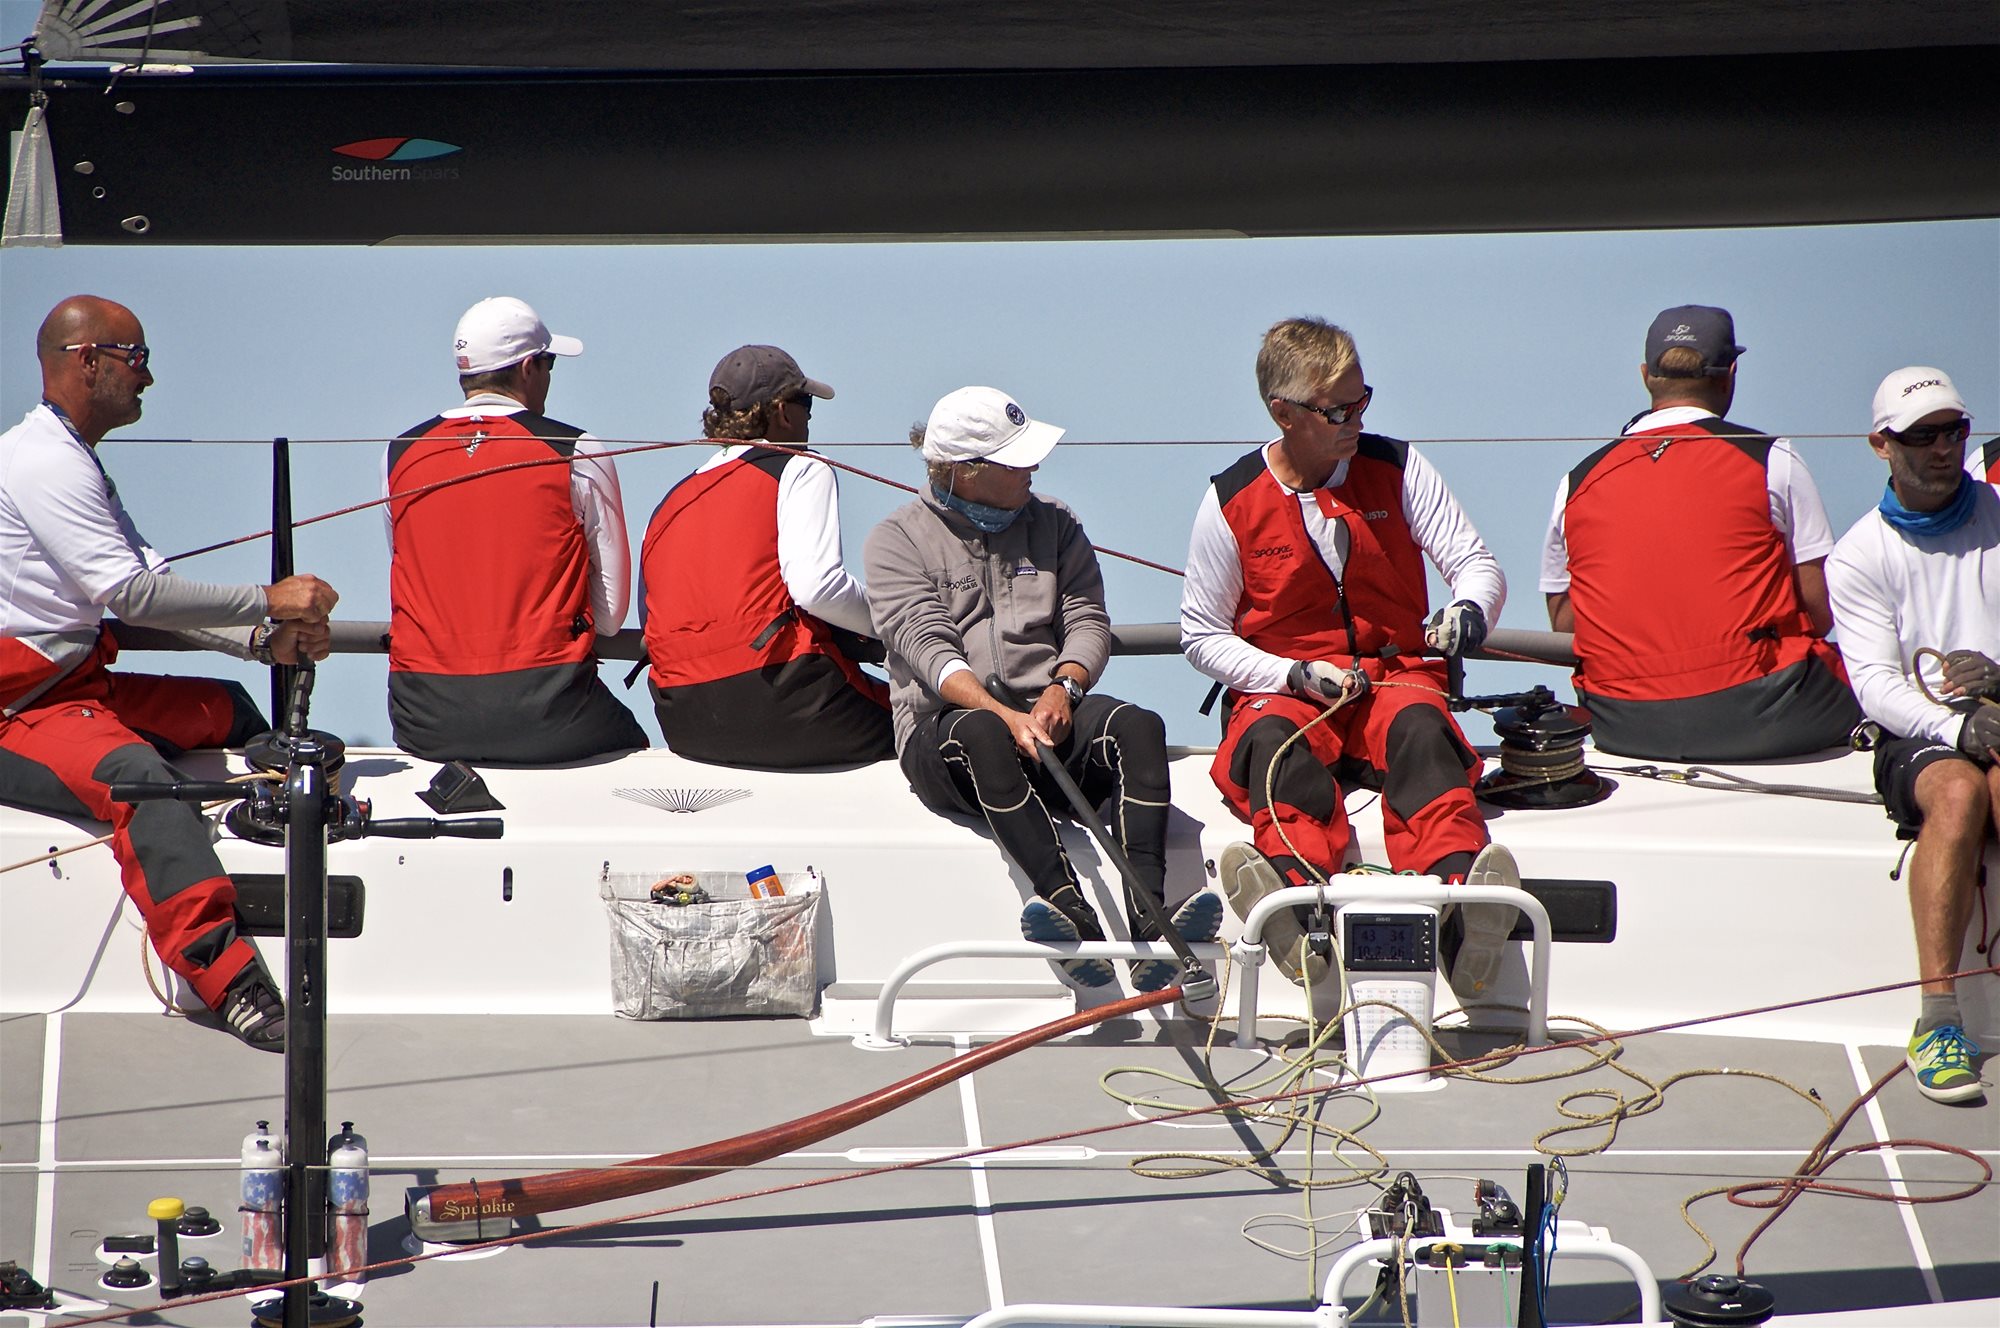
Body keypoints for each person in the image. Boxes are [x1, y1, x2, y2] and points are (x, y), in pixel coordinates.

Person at [0, 295, 339, 1051]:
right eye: (138, 359)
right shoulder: (43, 461)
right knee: (143, 782)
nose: (148, 378)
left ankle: (265, 826)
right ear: (88, 360)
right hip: (18, 714)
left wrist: (263, 641)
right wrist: (271, 601)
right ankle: (230, 981)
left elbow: (150, 581)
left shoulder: (69, 456)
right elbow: (129, 595)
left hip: (71, 689)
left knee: (229, 711)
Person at [1180, 316, 1512, 990]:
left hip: (1393, 677)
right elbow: (1202, 635)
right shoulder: (1230, 500)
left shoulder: (1399, 467)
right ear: (1283, 413)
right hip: (1291, 690)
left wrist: (1471, 610)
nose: (1356, 421)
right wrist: (1293, 674)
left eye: (1362, 401)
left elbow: (1475, 564)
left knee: (1423, 731)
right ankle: (1297, 914)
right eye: (1337, 410)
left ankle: (1462, 913)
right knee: (1272, 745)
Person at [865, 386, 1220, 991]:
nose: (1034, 468)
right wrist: (1005, 715)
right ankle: (1068, 911)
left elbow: (1087, 622)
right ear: (966, 470)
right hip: (948, 734)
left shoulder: (1057, 523)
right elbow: (928, 650)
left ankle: (1149, 923)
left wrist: (1065, 689)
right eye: (1017, 460)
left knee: (1139, 725)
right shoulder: (895, 540)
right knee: (982, 732)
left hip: (1051, 722)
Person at [1540, 305, 1858, 760]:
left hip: (1623, 726)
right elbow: (1820, 610)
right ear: (1730, 375)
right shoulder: (1771, 458)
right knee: (1886, 681)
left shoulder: (1576, 482)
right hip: (1769, 713)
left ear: (1646, 376)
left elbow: (1565, 624)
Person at [1826, 366, 1997, 1105]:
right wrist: (1961, 726)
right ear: (1882, 445)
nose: (1943, 448)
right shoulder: (1859, 554)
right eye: (1922, 436)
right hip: (1919, 728)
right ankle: (1939, 1021)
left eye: (1954, 430)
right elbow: (1877, 687)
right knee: (1957, 795)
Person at [385, 296, 646, 763]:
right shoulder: (574, 448)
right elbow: (609, 616)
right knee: (637, 749)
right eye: (549, 365)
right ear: (528, 368)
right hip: (547, 709)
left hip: (423, 715)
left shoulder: (399, 453)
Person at [639, 345, 891, 768]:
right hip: (787, 700)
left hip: (684, 721)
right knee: (934, 724)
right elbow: (817, 588)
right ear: (781, 412)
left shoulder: (668, 502)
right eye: (806, 403)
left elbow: (652, 624)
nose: (809, 418)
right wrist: (896, 623)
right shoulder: (800, 467)